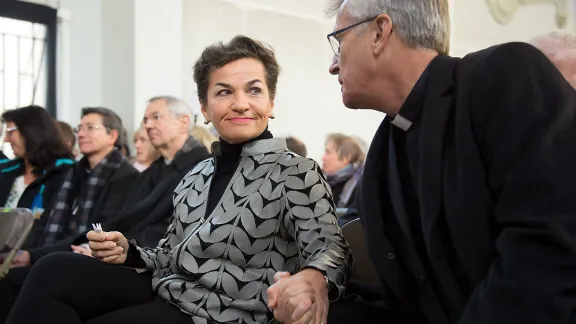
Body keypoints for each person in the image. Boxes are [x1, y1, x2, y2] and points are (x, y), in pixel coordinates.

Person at [7, 35, 351, 324]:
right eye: (224, 92)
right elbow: (170, 254)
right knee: (53, 269)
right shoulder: (197, 174)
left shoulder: (294, 170)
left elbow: (330, 247)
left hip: (229, 312)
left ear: (271, 101)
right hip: (171, 292)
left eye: (255, 90)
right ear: (204, 107)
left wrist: (315, 277)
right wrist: (129, 253)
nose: (241, 104)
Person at [322, 0, 576, 323]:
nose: (332, 64)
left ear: (380, 32)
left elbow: (549, 248)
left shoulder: (504, 76)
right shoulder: (380, 160)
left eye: (339, 42)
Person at [0, 107, 139, 323]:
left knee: (14, 280)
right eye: (79, 128)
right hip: (57, 250)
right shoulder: (75, 171)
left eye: (90, 128)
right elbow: (50, 218)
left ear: (112, 136)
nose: (80, 134)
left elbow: (101, 228)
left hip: (87, 254)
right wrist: (31, 252)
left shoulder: (125, 176)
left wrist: (34, 256)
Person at [67, 95, 211, 254]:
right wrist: (94, 245)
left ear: (183, 122)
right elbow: (123, 218)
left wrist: (115, 250)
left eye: (156, 117)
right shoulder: (155, 170)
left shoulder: (204, 167)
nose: (148, 125)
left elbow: (171, 230)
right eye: (145, 120)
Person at [0, 106, 74, 214]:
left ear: (30, 132)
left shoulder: (65, 171)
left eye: (10, 132)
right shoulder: (5, 170)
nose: (6, 139)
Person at [322, 133, 364, 208]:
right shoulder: (325, 182)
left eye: (328, 153)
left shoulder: (361, 187)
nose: (323, 158)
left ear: (346, 158)